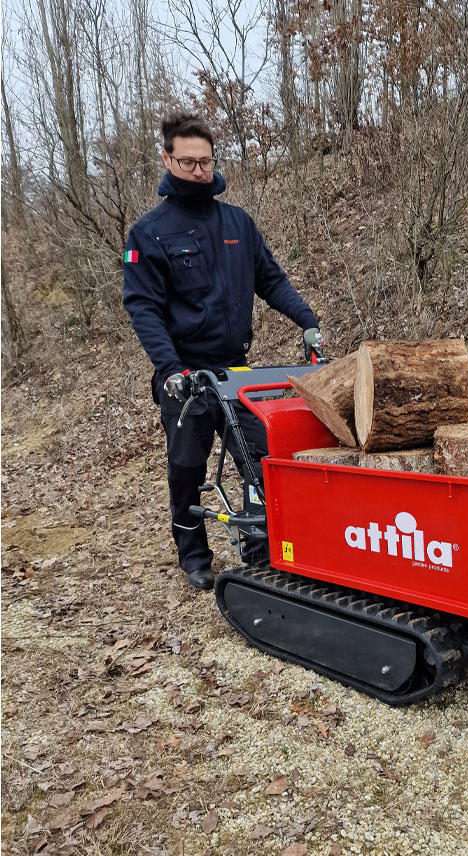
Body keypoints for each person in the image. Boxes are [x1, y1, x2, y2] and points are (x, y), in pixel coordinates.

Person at [123, 112, 324, 590]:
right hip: (186, 378)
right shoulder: (149, 233)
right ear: (168, 158)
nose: (198, 171)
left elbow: (270, 279)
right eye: (188, 162)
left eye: (205, 162)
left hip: (237, 374)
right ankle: (194, 554)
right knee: (186, 467)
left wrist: (307, 319)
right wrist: (169, 368)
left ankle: (261, 544)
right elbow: (143, 306)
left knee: (261, 458)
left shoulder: (236, 223)